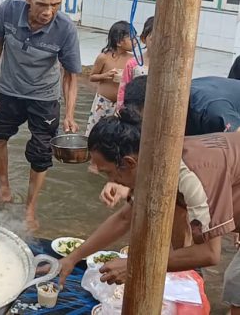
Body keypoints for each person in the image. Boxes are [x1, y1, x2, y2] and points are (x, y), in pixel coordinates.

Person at [57, 109, 240, 312]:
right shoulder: (154, 158)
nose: (110, 182)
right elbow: (126, 217)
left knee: (236, 288)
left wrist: (134, 265)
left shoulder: (194, 177)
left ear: (128, 163)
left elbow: (209, 254)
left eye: (108, 173)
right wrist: (72, 258)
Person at [0, 0, 81, 229]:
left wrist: (69, 114)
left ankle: (30, 209)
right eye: (42, 4)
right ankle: (4, 189)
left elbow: (71, 74)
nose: (48, 12)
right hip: (9, 89)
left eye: (55, 4)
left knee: (41, 151)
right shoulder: (8, 11)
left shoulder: (65, 29)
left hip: (44, 97)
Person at [99, 75, 240, 208]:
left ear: (162, 106)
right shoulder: (162, 113)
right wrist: (125, 181)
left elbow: (235, 149)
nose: (148, 127)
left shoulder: (211, 111)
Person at [85, 21, 133, 136]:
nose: (135, 42)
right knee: (95, 131)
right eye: (131, 38)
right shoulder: (104, 57)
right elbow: (92, 77)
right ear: (119, 42)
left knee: (115, 133)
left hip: (120, 104)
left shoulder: (131, 60)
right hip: (102, 101)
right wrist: (105, 75)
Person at [115, 16, 153, 108]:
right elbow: (123, 89)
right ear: (143, 39)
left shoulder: (168, 67)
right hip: (135, 110)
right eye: (153, 39)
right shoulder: (133, 64)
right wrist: (120, 108)